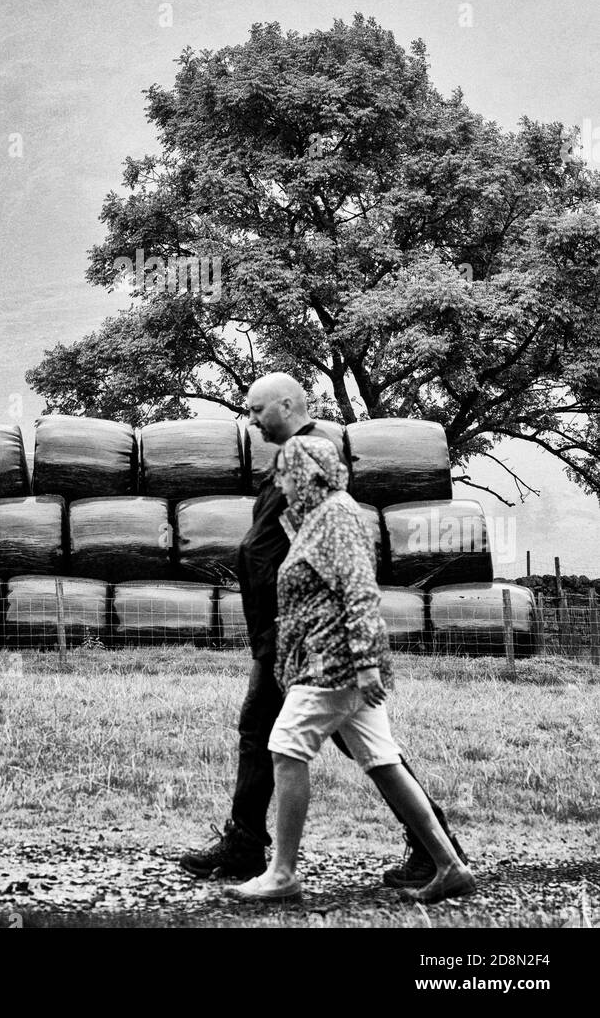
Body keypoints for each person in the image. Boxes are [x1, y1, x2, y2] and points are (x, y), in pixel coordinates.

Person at [179, 372, 467, 888]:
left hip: (318, 646)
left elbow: (357, 587)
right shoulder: (304, 478)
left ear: (288, 406)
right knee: (370, 753)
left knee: (279, 739)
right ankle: (442, 856)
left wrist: (356, 657)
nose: (249, 422)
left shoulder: (315, 465)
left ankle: (269, 862)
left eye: (256, 410)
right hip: (297, 638)